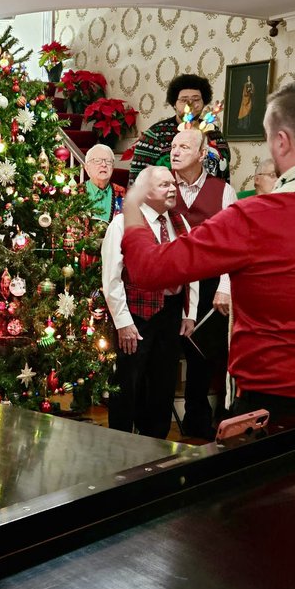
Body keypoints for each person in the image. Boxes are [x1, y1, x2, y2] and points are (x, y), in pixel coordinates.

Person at [120, 79, 295, 422]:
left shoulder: (254, 217)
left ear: (281, 140)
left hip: (275, 413)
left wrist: (134, 205)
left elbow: (150, 269)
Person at [101, 166, 197, 438]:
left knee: (163, 382)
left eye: (172, 184)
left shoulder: (180, 223)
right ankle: (119, 441)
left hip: (171, 312)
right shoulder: (122, 223)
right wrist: (123, 323)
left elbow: (192, 269)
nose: (172, 189)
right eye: (164, 185)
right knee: (128, 383)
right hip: (136, 314)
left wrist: (189, 313)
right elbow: (112, 279)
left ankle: (156, 443)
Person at [169, 127, 237, 437]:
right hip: (170, 281)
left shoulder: (223, 190)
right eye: (173, 145)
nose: (176, 151)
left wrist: (225, 287)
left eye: (184, 146)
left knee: (203, 353)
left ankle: (200, 419)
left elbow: (231, 244)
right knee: (167, 350)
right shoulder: (161, 185)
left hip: (210, 282)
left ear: (201, 154)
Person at [128, 74, 230, 185]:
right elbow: (136, 182)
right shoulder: (155, 135)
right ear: (174, 104)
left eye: (196, 99)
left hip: (211, 198)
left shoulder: (215, 134)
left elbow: (225, 177)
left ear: (203, 102)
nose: (190, 104)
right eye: (184, 100)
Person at [81, 143, 124, 222]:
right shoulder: (75, 193)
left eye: (108, 161)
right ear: (87, 168)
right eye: (97, 161)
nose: (104, 165)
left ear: (113, 167)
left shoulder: (122, 193)